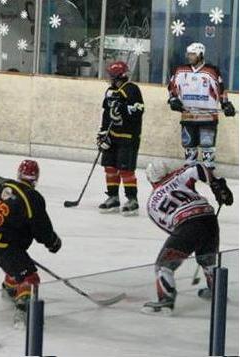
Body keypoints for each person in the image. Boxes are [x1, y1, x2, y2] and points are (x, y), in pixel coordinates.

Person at [141, 161, 233, 315]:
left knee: (163, 265)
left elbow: (171, 228)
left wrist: (188, 240)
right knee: (207, 259)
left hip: (186, 226)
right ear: (167, 171)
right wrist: (216, 185)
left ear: (150, 180)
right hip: (209, 218)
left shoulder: (151, 204)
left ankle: (165, 302)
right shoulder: (177, 176)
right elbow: (199, 167)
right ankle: (217, 291)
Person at [0, 160, 62, 312]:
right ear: (36, 178)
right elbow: (41, 229)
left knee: (16, 264)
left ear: (18, 174)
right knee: (30, 278)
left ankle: (9, 289)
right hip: (6, 247)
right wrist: (53, 242)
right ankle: (23, 314)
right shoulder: (32, 197)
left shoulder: (5, 186)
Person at [167, 42, 236, 170]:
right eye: (189, 54)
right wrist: (173, 99)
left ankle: (208, 173)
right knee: (189, 146)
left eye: (192, 54)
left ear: (200, 54)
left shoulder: (211, 71)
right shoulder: (180, 70)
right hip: (188, 116)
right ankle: (189, 173)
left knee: (207, 147)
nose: (189, 56)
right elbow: (172, 87)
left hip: (208, 118)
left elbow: (220, 90)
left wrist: (226, 103)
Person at [97, 61, 144, 216]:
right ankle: (113, 197)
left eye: (111, 75)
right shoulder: (110, 91)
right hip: (112, 136)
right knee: (109, 167)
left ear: (118, 76)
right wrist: (103, 134)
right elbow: (106, 114)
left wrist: (122, 107)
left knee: (125, 170)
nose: (109, 78)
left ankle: (132, 200)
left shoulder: (132, 89)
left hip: (128, 137)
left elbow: (138, 110)